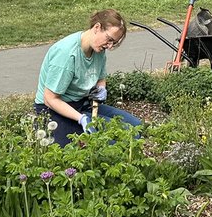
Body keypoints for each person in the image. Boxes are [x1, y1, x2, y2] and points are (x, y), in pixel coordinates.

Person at [34, 9, 143, 146]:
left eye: (114, 43)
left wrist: (101, 88)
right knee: (114, 140)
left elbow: (100, 77)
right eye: (109, 39)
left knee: (136, 127)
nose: (110, 46)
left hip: (82, 105)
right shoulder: (67, 54)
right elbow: (50, 99)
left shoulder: (98, 49)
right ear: (97, 27)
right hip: (54, 111)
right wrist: (81, 119)